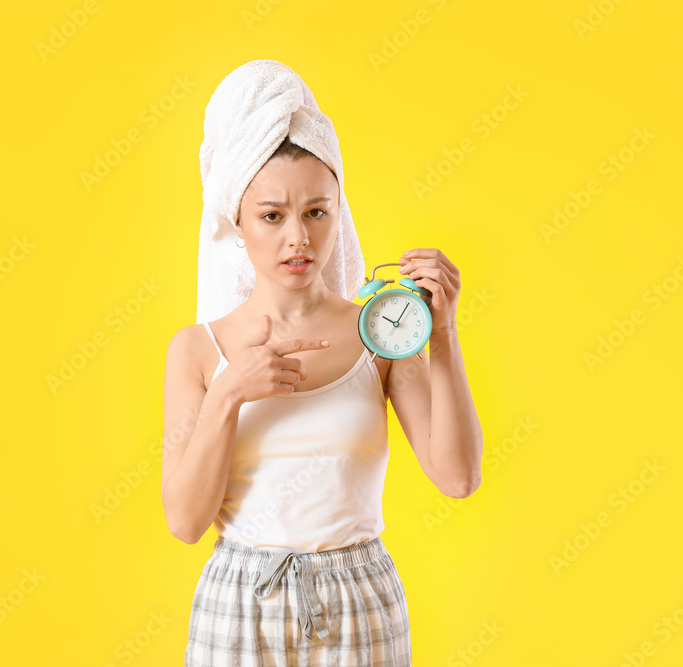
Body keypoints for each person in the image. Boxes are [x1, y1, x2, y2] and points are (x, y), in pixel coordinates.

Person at [161, 60, 483, 666]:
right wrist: (231, 391)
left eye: (317, 211)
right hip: (241, 608)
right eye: (272, 215)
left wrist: (443, 335)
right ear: (237, 221)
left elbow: (458, 477)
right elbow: (184, 521)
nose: (298, 239)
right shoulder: (198, 351)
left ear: (339, 211)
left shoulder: (378, 334)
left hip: (361, 602)